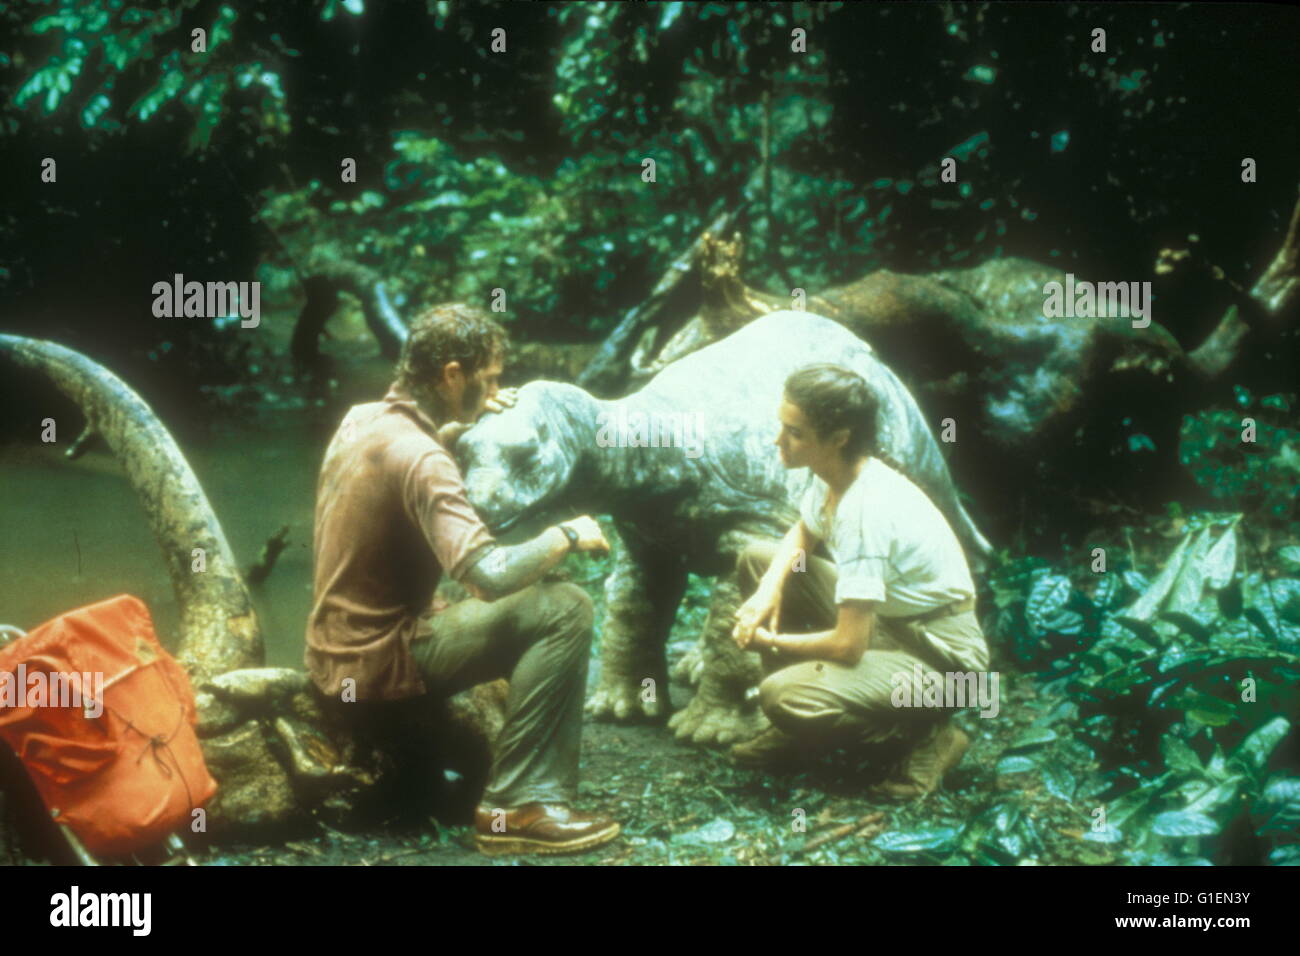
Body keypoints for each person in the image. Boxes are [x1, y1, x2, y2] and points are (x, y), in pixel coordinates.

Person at [305, 302, 621, 855]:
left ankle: (502, 782)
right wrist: (565, 535)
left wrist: (456, 422)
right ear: (452, 375)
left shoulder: (361, 419)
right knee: (566, 605)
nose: (496, 388)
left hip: (332, 656)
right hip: (380, 663)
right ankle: (519, 806)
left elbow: (402, 463)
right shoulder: (424, 461)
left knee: (511, 598)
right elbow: (488, 577)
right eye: (489, 378)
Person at [729, 363, 989, 797]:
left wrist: (768, 643)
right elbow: (805, 529)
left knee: (783, 696)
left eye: (794, 432)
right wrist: (768, 591)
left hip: (942, 658)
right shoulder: (835, 475)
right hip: (892, 624)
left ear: (839, 438)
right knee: (760, 561)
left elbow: (848, 646)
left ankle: (924, 736)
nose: (779, 440)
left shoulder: (866, 511)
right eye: (782, 426)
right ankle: (796, 733)